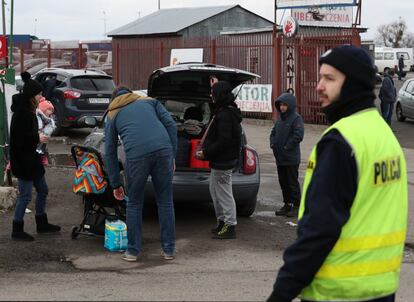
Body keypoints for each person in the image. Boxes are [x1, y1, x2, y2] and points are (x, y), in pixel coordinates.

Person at [267, 45, 408, 302]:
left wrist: (281, 293)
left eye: (329, 78)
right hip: (381, 288)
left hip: (338, 291)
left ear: (353, 84)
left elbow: (319, 231)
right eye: (320, 77)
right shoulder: (383, 133)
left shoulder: (340, 141)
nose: (319, 86)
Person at [104, 86, 177, 262]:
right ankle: (169, 250)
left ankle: (132, 252)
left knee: (134, 203)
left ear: (114, 99)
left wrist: (115, 183)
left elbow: (110, 150)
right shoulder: (150, 101)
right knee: (165, 201)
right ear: (131, 94)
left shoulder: (112, 113)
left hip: (137, 156)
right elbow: (171, 125)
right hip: (163, 151)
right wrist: (172, 155)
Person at [9, 71, 61, 241]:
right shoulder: (22, 114)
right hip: (23, 162)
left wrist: (38, 137)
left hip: (33, 160)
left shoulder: (30, 111)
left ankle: (42, 223)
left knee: (43, 190)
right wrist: (37, 137)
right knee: (25, 195)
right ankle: (17, 229)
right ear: (32, 95)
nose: (42, 96)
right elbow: (18, 140)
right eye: (39, 94)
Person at [195, 81, 242, 239]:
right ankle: (222, 222)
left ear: (219, 94)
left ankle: (230, 226)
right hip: (220, 161)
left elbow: (224, 141)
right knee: (215, 192)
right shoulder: (224, 112)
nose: (210, 95)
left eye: (212, 92)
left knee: (223, 194)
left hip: (223, 161)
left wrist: (205, 153)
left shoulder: (225, 115)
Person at [270, 93, 304, 217]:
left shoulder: (296, 118)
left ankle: (296, 206)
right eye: (281, 105)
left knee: (292, 182)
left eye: (285, 105)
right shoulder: (280, 119)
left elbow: (298, 135)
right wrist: (273, 144)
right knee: (283, 182)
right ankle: (287, 204)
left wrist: (286, 147)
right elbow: (273, 133)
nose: (283, 107)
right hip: (280, 158)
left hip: (291, 158)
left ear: (290, 105)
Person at [36, 97, 56, 165]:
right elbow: (38, 126)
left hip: (44, 136)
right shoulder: (38, 117)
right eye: (49, 110)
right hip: (37, 135)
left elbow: (51, 127)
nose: (51, 112)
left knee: (44, 145)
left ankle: (43, 156)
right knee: (38, 147)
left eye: (52, 110)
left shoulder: (49, 119)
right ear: (43, 110)